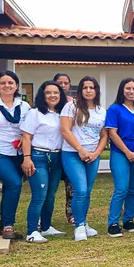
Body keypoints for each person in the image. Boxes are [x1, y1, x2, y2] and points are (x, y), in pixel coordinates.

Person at [0, 71, 31, 240]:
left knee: (10, 187)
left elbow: (30, 129)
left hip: (18, 153)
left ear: (17, 85)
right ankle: (8, 226)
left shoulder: (24, 106)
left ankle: (4, 225)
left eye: (11, 82)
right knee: (14, 183)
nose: (7, 86)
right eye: (3, 83)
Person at [60, 76, 108, 241]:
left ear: (96, 91)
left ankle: (84, 222)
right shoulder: (70, 107)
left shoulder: (101, 111)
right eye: (85, 87)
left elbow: (104, 135)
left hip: (92, 156)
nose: (89, 90)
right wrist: (80, 150)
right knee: (79, 190)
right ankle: (79, 226)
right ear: (80, 90)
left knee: (87, 191)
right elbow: (65, 131)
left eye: (92, 87)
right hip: (73, 153)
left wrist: (95, 153)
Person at [105, 78, 134, 237]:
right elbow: (112, 133)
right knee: (121, 188)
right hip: (121, 154)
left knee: (133, 189)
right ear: (122, 90)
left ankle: (128, 220)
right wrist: (127, 152)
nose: (131, 92)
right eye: (128, 89)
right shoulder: (114, 109)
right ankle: (113, 222)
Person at [20, 81, 66, 243]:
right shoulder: (35, 113)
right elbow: (26, 136)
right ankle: (32, 231)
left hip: (57, 157)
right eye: (48, 92)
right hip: (38, 156)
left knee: (51, 195)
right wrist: (27, 158)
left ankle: (46, 227)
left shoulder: (63, 113)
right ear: (42, 95)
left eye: (56, 92)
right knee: (39, 195)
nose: (52, 96)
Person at [53, 73, 76, 226]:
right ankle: (45, 217)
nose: (63, 85)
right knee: (50, 187)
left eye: (65, 83)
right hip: (52, 150)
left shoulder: (75, 104)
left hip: (70, 150)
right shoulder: (46, 103)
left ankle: (72, 214)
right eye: (59, 82)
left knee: (72, 186)